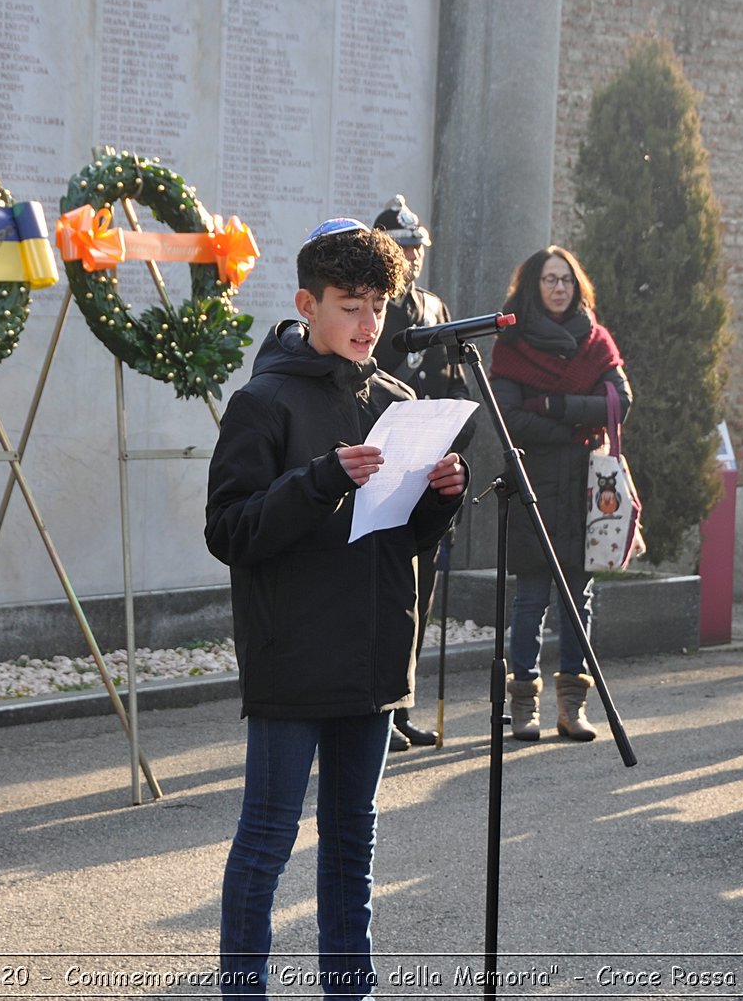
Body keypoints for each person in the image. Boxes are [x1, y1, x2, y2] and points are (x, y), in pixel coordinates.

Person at [205, 219, 467, 997]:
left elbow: (397, 537)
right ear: (306, 305)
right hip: (295, 656)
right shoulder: (262, 402)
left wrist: (440, 502)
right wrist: (321, 478)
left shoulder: (398, 398)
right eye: (350, 305)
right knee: (266, 842)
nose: (367, 324)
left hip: (376, 655)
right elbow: (230, 530)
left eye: (378, 306)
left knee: (355, 843)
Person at [488, 246, 630, 742]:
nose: (558, 288)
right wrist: (577, 421)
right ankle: (523, 704)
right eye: (549, 279)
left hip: (586, 485)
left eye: (566, 279)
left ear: (577, 286)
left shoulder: (595, 340)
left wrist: (552, 404)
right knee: (530, 599)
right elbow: (509, 417)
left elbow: (621, 401)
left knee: (579, 598)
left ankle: (573, 707)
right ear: (533, 286)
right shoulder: (513, 342)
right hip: (533, 481)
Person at [369, 195, 474, 751]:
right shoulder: (375, 311)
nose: (411, 259)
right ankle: (375, 707)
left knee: (419, 597)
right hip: (386, 472)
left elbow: (455, 384)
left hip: (430, 479)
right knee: (383, 595)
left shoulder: (435, 308)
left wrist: (453, 442)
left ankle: (401, 704)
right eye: (400, 248)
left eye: (416, 249)